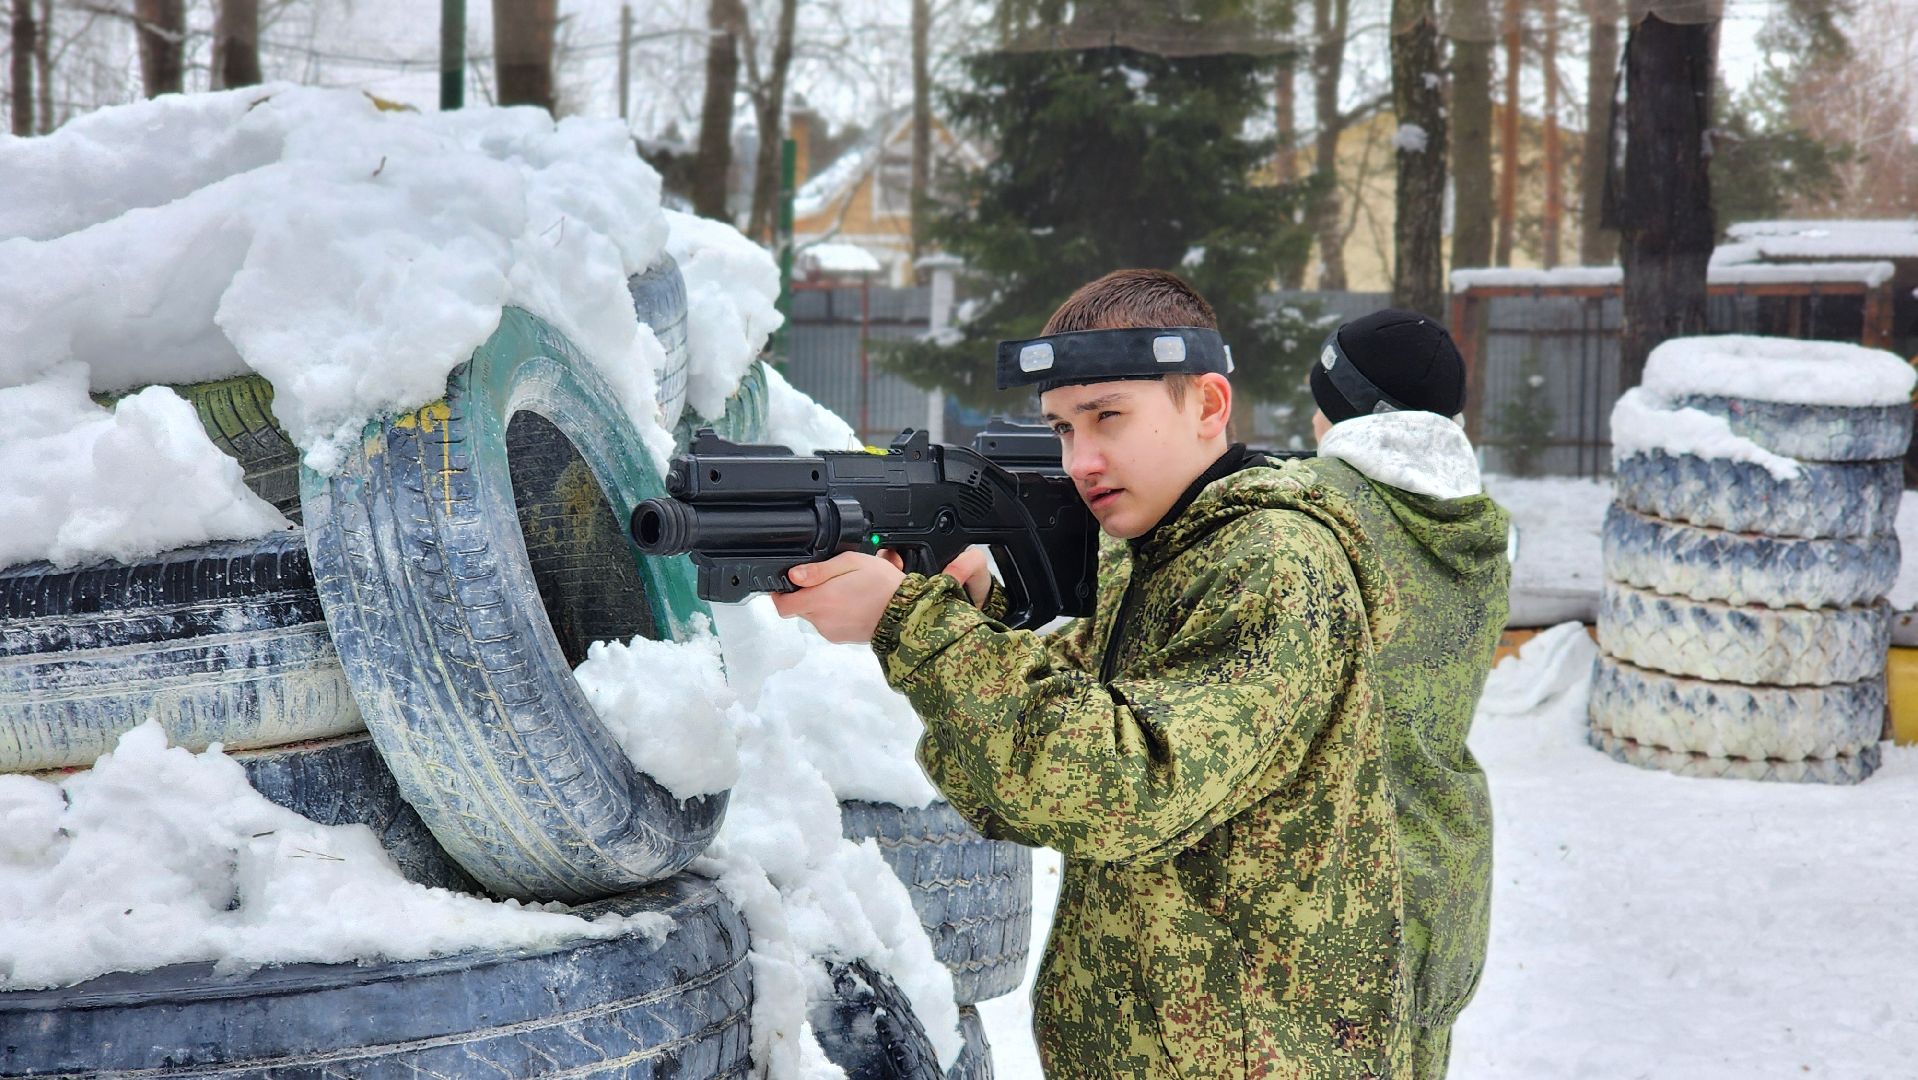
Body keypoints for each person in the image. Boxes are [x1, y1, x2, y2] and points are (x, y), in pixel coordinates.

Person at [775, 269, 1409, 1077]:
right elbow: (1069, 715)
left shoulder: (1273, 565)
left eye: (1108, 416)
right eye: (1063, 429)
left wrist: (911, 624)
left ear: (1209, 406)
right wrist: (971, 608)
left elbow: (1126, 783)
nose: (1081, 459)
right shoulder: (1172, 556)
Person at [1300, 308, 1512, 1077]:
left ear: (1343, 409)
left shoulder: (1305, 512)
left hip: (1328, 891)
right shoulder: (1482, 527)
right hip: (1442, 875)